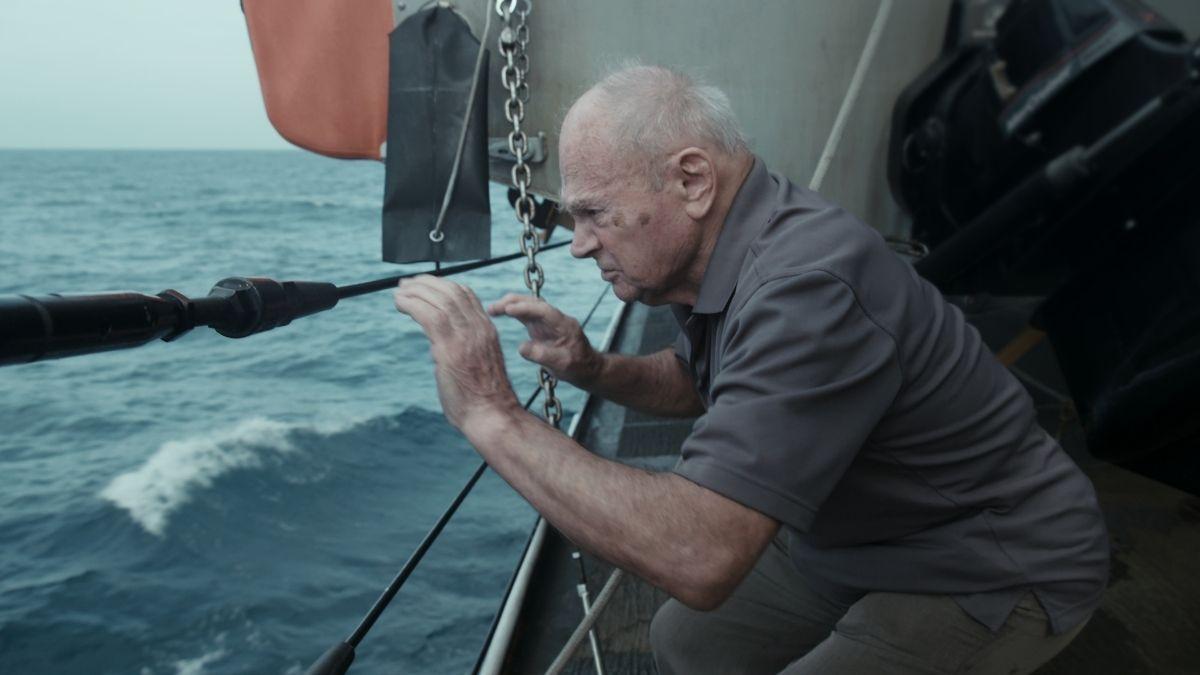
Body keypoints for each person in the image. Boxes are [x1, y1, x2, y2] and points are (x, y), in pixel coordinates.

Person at [393, 65, 1109, 674]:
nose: (578, 244)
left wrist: (490, 410)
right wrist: (593, 365)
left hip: (993, 562)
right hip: (863, 538)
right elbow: (703, 381)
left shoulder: (808, 284)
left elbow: (699, 554)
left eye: (595, 213)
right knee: (684, 643)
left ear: (692, 181)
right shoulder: (724, 248)